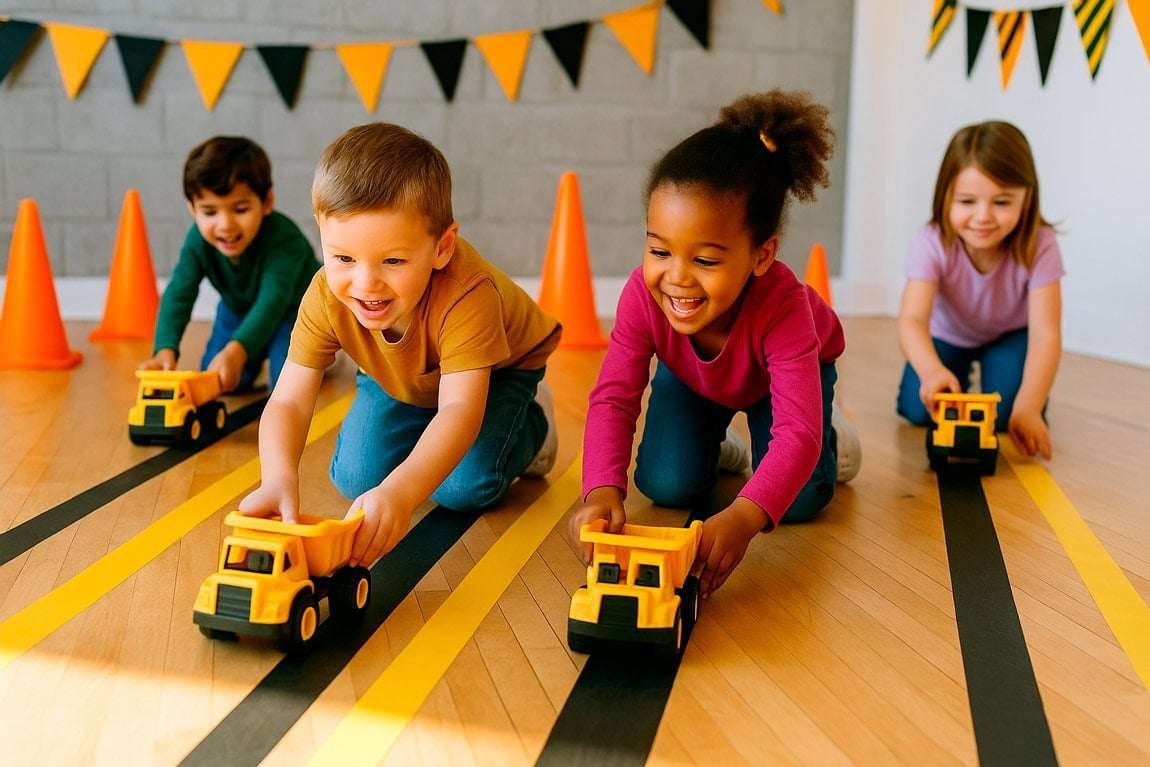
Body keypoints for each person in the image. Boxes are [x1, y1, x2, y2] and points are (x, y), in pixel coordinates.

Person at [567, 90, 860, 599]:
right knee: (666, 486)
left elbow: (795, 434)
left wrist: (745, 517)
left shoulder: (787, 307)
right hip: (695, 378)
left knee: (803, 498)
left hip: (780, 383)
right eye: (660, 250)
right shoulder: (643, 293)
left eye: (705, 260)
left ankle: (832, 434)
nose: (676, 278)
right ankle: (723, 450)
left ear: (762, 255)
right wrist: (600, 491)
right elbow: (614, 396)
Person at [239, 123, 561, 567]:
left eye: (392, 261)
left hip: (500, 369)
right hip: (399, 373)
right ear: (321, 235)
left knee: (464, 488)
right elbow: (290, 400)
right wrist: (276, 476)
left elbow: (459, 410)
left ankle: (532, 426)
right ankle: (426, 435)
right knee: (356, 479)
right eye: (343, 258)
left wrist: (403, 491)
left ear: (442, 247)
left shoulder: (469, 293)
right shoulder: (325, 295)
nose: (365, 283)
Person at [896, 120, 1063, 460]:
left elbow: (1046, 334)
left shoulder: (1040, 244)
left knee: (1006, 417)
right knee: (919, 409)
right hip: (949, 335)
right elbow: (912, 319)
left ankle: (1006, 385)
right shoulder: (931, 242)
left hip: (1009, 336)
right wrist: (932, 371)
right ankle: (953, 374)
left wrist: (1029, 407)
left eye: (1002, 202)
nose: (983, 216)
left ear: (1026, 199)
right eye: (967, 201)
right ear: (945, 198)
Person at [139, 136, 319, 392]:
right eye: (210, 212)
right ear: (192, 209)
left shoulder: (284, 239)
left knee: (288, 386)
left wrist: (237, 350)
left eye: (240, 209)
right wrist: (164, 349)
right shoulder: (197, 242)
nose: (225, 225)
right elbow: (179, 292)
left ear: (266, 202)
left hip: (295, 314)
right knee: (220, 378)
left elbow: (273, 301)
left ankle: (321, 357)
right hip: (238, 309)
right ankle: (248, 356)